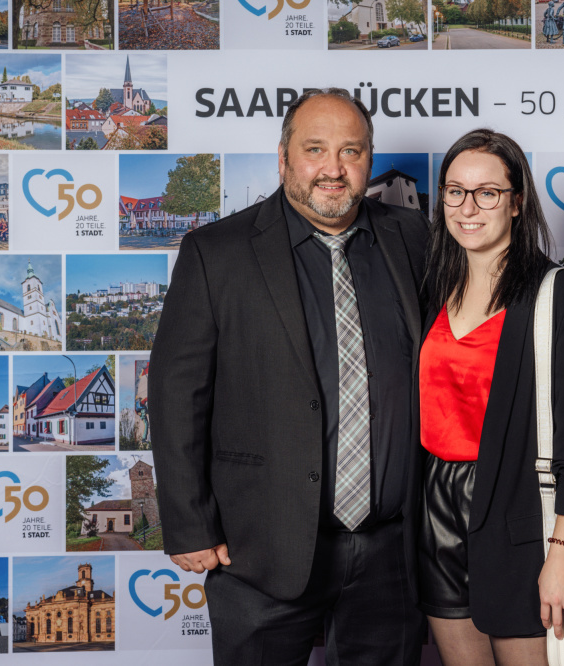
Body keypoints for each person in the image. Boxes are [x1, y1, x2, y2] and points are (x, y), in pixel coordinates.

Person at [149, 87, 429, 666]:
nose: (334, 169)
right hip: (260, 545)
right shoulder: (216, 252)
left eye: (351, 151)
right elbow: (176, 394)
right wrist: (189, 522)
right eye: (315, 149)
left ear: (369, 160)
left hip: (391, 550)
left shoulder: (414, 238)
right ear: (283, 158)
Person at [415, 129, 564, 665]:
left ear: (517, 202)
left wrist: (563, 557)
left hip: (521, 513)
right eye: (455, 191)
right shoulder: (430, 289)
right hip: (436, 508)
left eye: (487, 193)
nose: (467, 207)